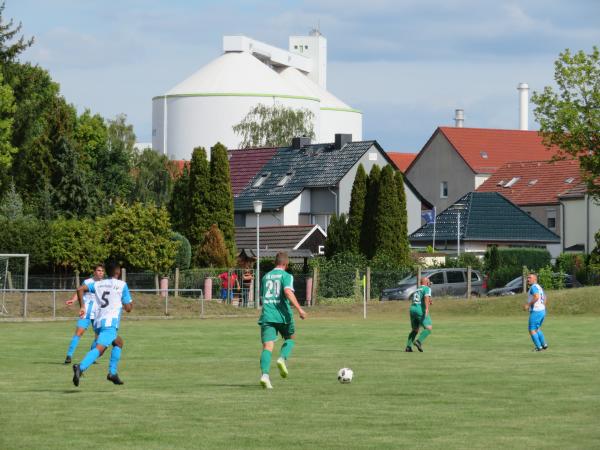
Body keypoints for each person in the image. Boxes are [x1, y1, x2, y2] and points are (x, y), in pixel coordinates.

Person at [72, 262, 133, 387]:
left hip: (99, 322)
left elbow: (80, 289)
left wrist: (82, 306)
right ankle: (81, 367)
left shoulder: (98, 284)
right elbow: (128, 308)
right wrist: (125, 303)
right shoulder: (122, 285)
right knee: (100, 349)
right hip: (110, 323)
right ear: (118, 273)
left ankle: (113, 373)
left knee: (118, 342)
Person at [258, 252, 307, 389]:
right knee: (290, 338)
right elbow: (287, 292)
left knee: (267, 347)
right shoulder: (286, 276)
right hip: (282, 315)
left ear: (275, 263)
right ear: (285, 264)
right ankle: (282, 358)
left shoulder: (265, 277)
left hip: (267, 315)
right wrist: (299, 309)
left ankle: (265, 376)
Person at [63, 264, 105, 364]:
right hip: (86, 311)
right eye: (98, 270)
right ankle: (69, 356)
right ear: (94, 272)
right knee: (79, 333)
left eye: (102, 271)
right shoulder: (87, 282)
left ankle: (92, 356)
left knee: (98, 336)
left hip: (99, 313)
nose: (100, 272)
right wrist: (73, 300)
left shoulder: (105, 284)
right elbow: (79, 291)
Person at [405, 276, 433, 352]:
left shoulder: (417, 289)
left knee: (415, 330)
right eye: (428, 282)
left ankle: (408, 347)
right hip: (419, 310)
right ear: (426, 282)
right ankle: (418, 341)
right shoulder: (427, 288)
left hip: (412, 309)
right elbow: (426, 297)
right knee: (428, 328)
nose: (429, 283)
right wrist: (427, 308)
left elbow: (420, 298)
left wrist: (429, 301)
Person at [523, 273, 548, 351]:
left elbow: (536, 297)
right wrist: (542, 306)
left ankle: (538, 347)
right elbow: (545, 297)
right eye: (527, 278)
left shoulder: (534, 287)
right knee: (537, 329)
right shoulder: (539, 287)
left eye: (530, 278)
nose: (528, 279)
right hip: (542, 310)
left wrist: (528, 305)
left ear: (535, 279)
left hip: (536, 311)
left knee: (532, 330)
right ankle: (544, 344)